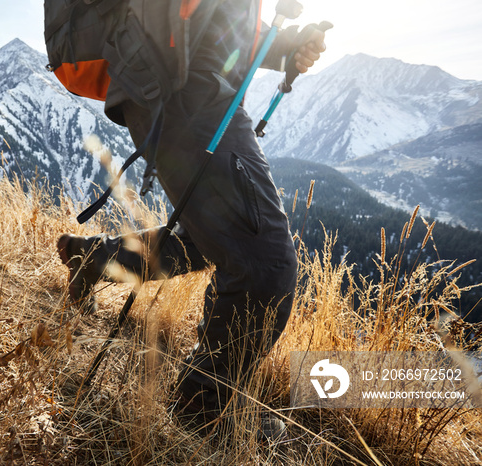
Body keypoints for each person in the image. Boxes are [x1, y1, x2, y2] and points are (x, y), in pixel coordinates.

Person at [57, 0, 326, 437]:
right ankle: (201, 412)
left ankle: (91, 258)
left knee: (211, 237)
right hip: (185, 89)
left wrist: (283, 46)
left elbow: (215, 20)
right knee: (265, 266)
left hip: (181, 84)